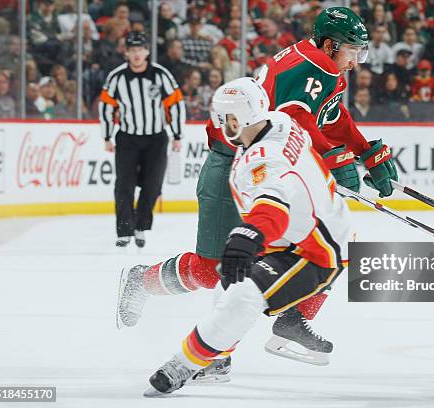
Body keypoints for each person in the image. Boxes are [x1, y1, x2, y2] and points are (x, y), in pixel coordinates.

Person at [116, 6, 399, 367]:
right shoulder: (313, 66)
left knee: (332, 242)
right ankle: (144, 282)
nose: (356, 60)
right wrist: (334, 158)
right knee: (214, 269)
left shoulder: (326, 66)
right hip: (233, 165)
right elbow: (292, 119)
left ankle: (293, 319)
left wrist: (362, 150)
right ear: (330, 45)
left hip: (271, 168)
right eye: (352, 51)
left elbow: (329, 115)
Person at [141, 76, 351, 394]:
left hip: (315, 249)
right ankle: (217, 355)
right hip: (305, 230)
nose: (220, 124)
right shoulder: (280, 121)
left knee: (243, 295)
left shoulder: (260, 159)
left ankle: (184, 364)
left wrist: (251, 232)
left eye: (224, 118)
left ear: (238, 117)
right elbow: (299, 166)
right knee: (230, 280)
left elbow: (274, 200)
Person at [98, 31, 185, 248]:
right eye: (132, 50)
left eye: (140, 50)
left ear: (146, 51)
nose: (137, 54)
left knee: (153, 185)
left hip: (156, 139)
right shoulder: (117, 77)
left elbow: (175, 103)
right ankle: (125, 229)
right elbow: (106, 107)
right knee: (124, 185)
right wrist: (107, 136)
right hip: (128, 138)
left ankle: (140, 225)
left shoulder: (160, 75)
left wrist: (176, 134)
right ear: (126, 53)